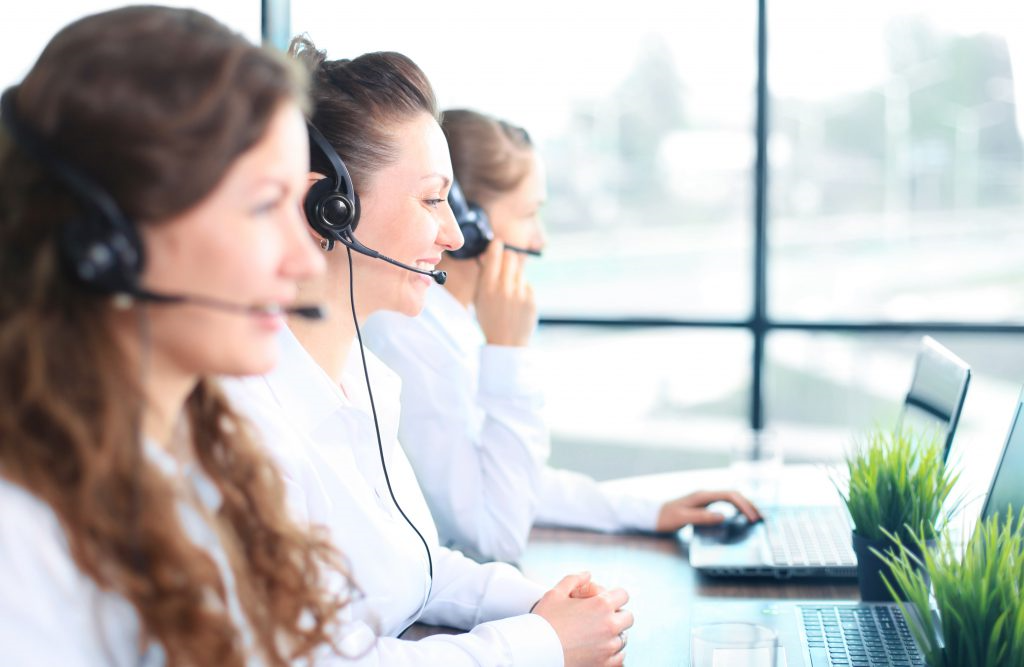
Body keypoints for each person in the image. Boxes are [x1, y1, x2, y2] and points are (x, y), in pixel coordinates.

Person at [223, 38, 633, 667]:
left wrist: (543, 604)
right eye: (430, 199)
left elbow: (415, 566)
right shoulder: (246, 426)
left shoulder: (365, 379)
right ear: (327, 208)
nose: (454, 233)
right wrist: (541, 644)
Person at [0, 7, 358, 667]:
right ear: (106, 239)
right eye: (261, 205)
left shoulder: (206, 454)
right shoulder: (21, 539)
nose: (308, 261)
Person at [362, 108, 762, 564]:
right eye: (529, 214)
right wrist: (508, 353)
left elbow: (511, 480)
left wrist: (649, 512)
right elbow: (493, 536)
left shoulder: (452, 325)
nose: (540, 241)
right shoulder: (408, 336)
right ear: (470, 223)